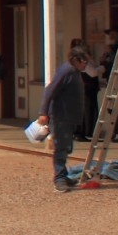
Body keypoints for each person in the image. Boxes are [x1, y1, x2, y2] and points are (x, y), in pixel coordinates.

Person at [38, 46, 92, 192]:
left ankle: (64, 175)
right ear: (76, 60)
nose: (85, 65)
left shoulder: (74, 72)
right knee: (61, 147)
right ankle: (59, 178)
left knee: (67, 147)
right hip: (61, 117)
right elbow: (50, 90)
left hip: (69, 117)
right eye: (84, 62)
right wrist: (43, 113)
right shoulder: (66, 71)